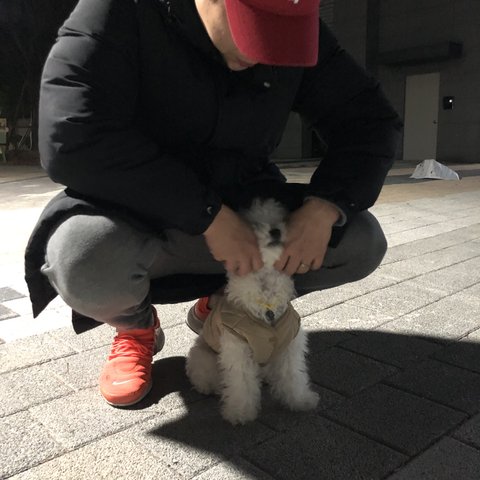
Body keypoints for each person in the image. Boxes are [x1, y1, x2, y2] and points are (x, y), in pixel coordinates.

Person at [25, 0, 402, 407]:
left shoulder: (295, 25)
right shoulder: (119, 10)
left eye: (281, 38)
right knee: (82, 258)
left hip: (246, 199)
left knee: (360, 241)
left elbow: (370, 119)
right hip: (138, 211)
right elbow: (71, 135)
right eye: (252, 30)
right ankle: (135, 328)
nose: (262, 55)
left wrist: (326, 205)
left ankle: (227, 305)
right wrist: (207, 215)